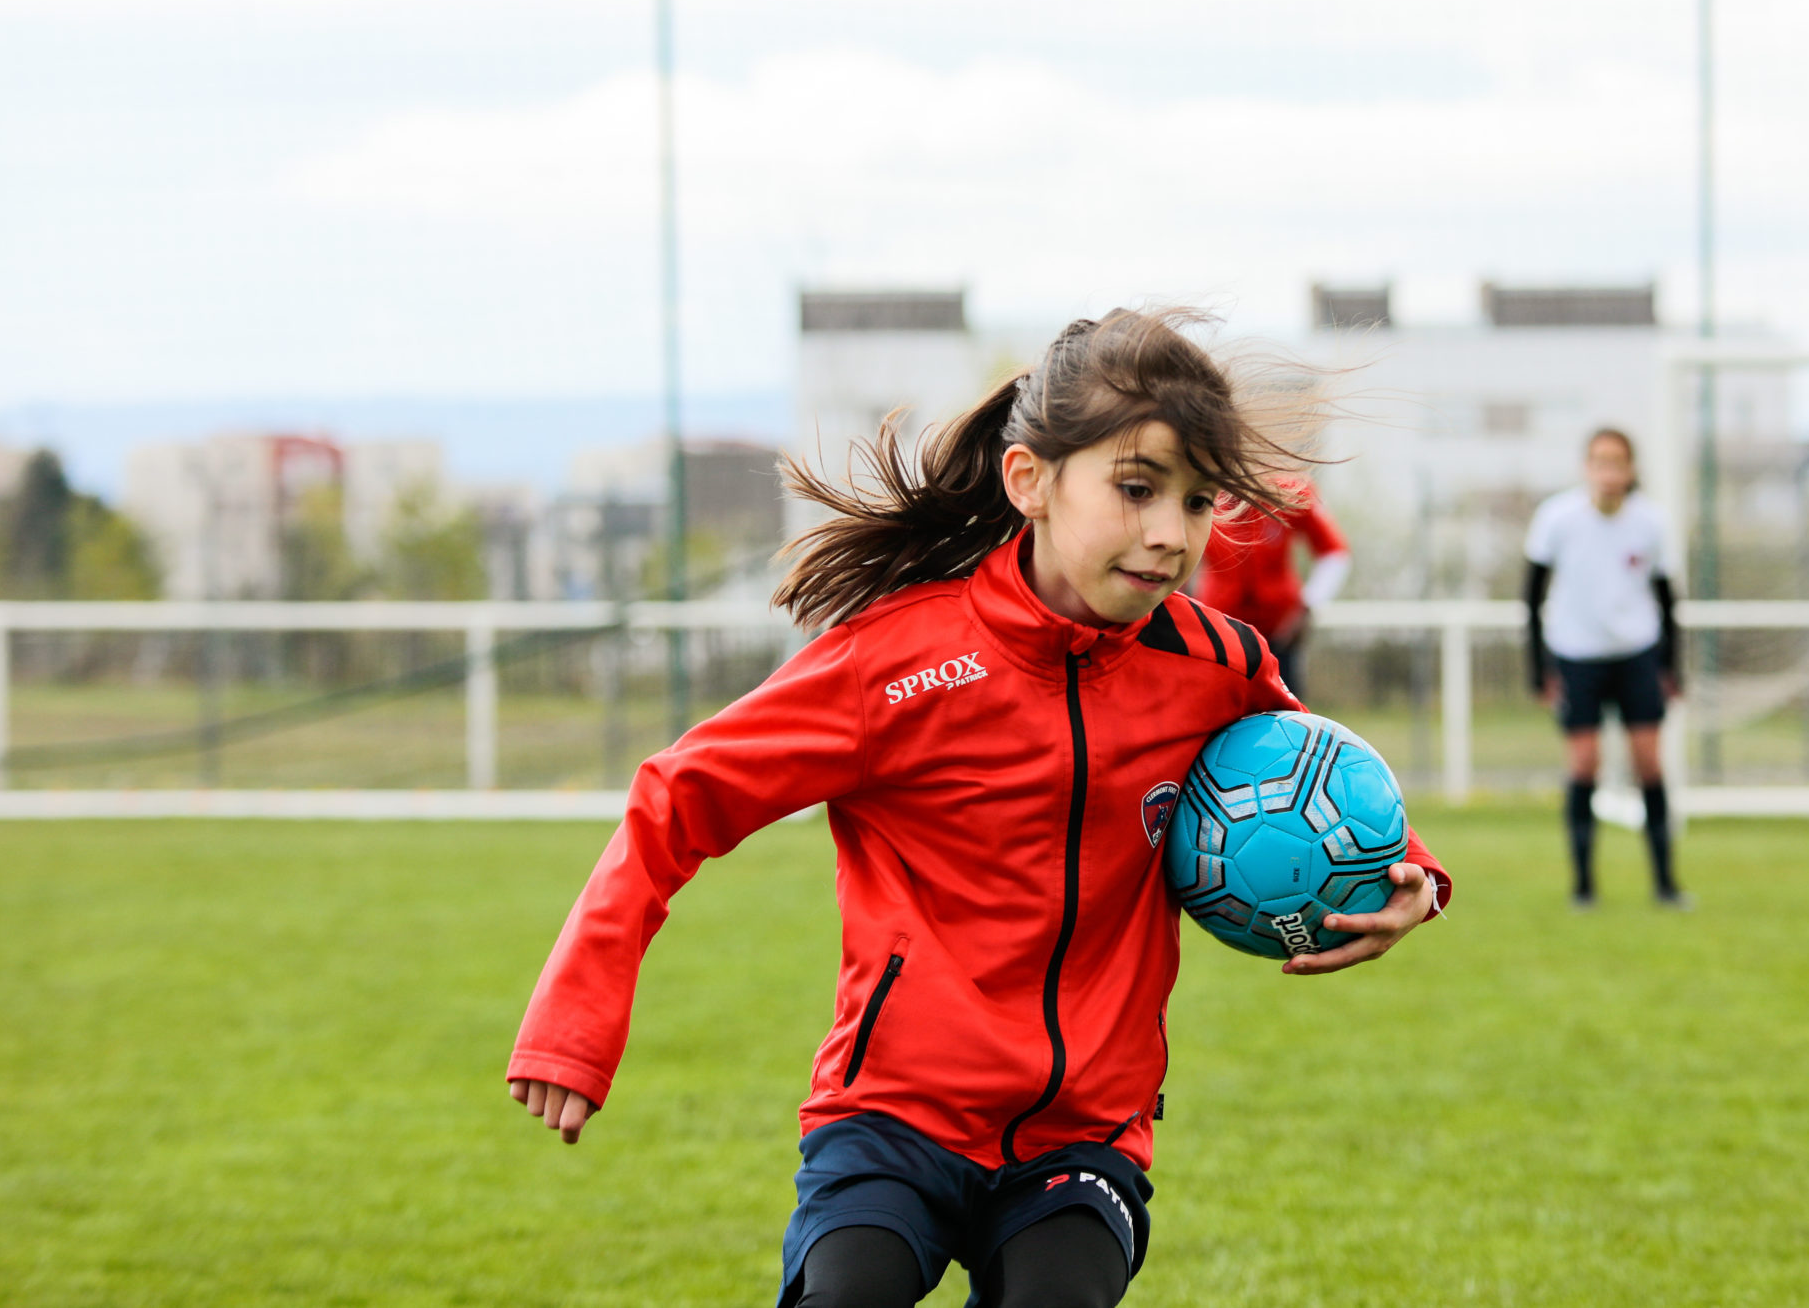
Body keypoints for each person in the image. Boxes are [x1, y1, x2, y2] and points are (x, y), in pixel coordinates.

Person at [506, 309, 1452, 1308]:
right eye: (1135, 490)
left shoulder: (1214, 664)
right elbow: (678, 796)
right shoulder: (898, 663)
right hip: (891, 1120)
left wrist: (1413, 881)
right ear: (1029, 482)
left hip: (1081, 1136)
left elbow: (1328, 783)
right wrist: (577, 1014)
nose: (1171, 534)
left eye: (1199, 500)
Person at [1522, 426, 1685, 909]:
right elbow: (1531, 597)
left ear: (1631, 469)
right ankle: (1584, 887)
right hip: (1576, 657)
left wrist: (1673, 666)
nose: (1609, 471)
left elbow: (1666, 599)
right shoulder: (1557, 518)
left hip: (1638, 656)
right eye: (1600, 461)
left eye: (1618, 461)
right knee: (1583, 764)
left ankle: (1665, 884)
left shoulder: (1651, 522)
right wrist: (1538, 668)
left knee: (1649, 763)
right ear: (1587, 467)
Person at [1189, 474, 1349, 703]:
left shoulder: (1290, 492)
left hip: (1280, 637)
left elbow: (1334, 553)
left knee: (1286, 720)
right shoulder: (1199, 490)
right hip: (1219, 637)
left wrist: (1308, 607)